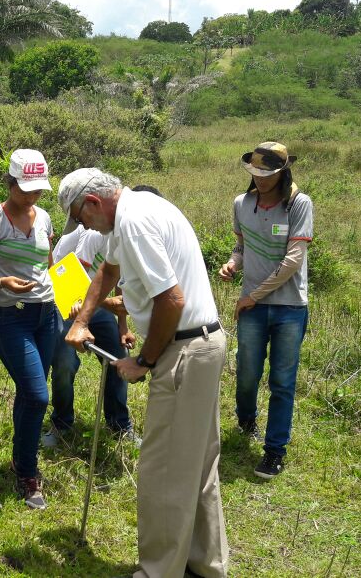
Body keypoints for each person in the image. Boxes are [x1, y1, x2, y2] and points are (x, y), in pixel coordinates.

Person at [61, 168, 228, 578]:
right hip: (202, 345)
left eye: (82, 218)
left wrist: (144, 362)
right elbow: (108, 272)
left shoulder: (133, 221)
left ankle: (158, 572)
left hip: (184, 351)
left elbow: (171, 300)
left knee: (164, 470)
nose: (86, 227)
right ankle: (204, 564)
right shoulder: (134, 211)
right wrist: (82, 320)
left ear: (94, 202)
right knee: (196, 465)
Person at [0, 148, 60, 510]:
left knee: (30, 393)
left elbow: (50, 265)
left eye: (38, 189)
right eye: (26, 188)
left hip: (48, 315)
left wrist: (71, 299)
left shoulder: (45, 218)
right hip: (13, 317)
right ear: (10, 183)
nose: (32, 195)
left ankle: (20, 460)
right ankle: (27, 472)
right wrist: (3, 282)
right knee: (37, 395)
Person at [218, 142, 312, 479]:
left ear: (283, 172)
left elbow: (293, 260)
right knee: (247, 373)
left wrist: (253, 296)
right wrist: (232, 263)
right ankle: (246, 421)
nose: (260, 179)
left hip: (289, 307)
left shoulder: (299, 204)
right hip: (253, 307)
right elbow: (242, 246)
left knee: (282, 381)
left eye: (267, 173)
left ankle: (274, 451)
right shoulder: (242, 204)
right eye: (255, 172)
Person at [44, 218, 136, 447]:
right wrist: (104, 305)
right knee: (64, 362)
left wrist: (122, 326)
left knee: (118, 357)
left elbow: (120, 282)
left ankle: (119, 425)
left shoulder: (131, 238)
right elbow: (72, 278)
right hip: (64, 298)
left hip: (94, 301)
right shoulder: (97, 233)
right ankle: (61, 424)